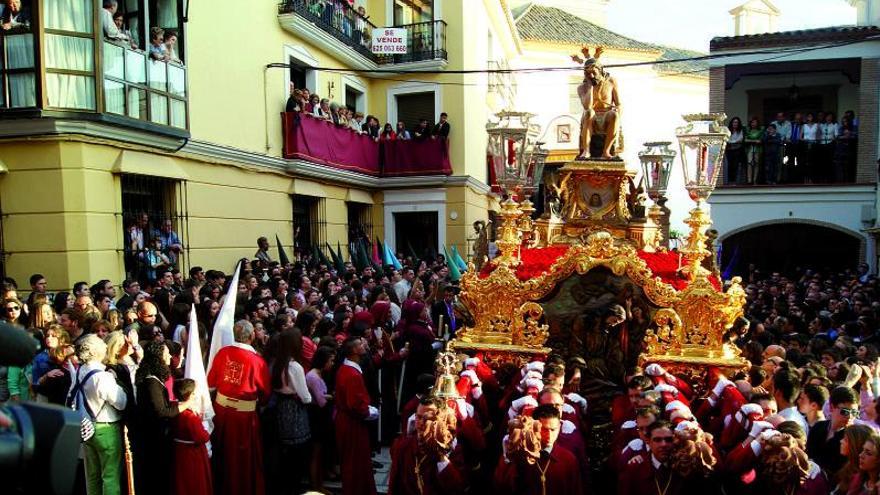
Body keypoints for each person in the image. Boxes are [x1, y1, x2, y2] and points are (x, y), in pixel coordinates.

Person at [207, 320, 271, 495]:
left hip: (221, 412)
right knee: (242, 460)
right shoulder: (257, 361)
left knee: (223, 454)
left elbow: (211, 383)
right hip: (244, 417)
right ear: (251, 336)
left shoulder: (223, 353)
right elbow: (265, 394)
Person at [72, 334, 128, 495]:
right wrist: (119, 384)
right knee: (110, 476)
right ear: (96, 352)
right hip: (107, 427)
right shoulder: (102, 377)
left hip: (87, 426)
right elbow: (121, 402)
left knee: (92, 475)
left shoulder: (80, 371)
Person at [132, 340, 189, 494]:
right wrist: (186, 405)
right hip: (152, 437)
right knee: (156, 477)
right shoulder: (151, 381)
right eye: (166, 354)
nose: (170, 356)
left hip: (153, 434)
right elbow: (161, 411)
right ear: (158, 357)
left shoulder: (152, 378)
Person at [494, 404, 583, 494]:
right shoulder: (520, 454)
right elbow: (503, 485)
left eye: (553, 430)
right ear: (533, 427)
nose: (549, 436)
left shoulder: (568, 459)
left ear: (559, 427)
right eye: (544, 429)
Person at [268, 330, 312, 494]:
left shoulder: (275, 364)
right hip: (294, 410)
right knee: (296, 456)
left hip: (280, 408)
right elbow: (305, 396)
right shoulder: (294, 367)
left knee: (284, 455)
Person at [335, 336, 380, 495]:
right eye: (361, 344)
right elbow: (355, 405)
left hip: (348, 420)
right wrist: (370, 412)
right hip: (352, 423)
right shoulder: (352, 374)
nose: (364, 344)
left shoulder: (346, 369)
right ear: (354, 350)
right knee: (355, 461)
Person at [576, 48, 621, 159]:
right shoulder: (582, 88)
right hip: (592, 118)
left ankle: (606, 152)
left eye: (593, 73)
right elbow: (587, 106)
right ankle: (586, 151)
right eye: (588, 73)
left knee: (613, 115)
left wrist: (618, 110)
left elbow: (619, 104)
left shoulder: (611, 82)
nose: (591, 76)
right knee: (589, 112)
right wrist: (590, 85)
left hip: (607, 115)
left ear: (600, 71)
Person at [618, 420, 683, 495]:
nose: (663, 444)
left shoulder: (683, 466)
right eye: (657, 440)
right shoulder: (635, 469)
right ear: (648, 441)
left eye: (668, 440)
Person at [171, 379, 213, 495]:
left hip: (178, 452)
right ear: (191, 395)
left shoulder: (174, 408)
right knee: (193, 484)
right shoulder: (190, 416)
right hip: (192, 455)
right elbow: (202, 437)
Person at [807, 386, 860, 476]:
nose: (850, 416)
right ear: (832, 408)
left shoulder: (852, 439)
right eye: (845, 411)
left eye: (854, 413)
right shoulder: (818, 427)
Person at [306, 346, 335, 492]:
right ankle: (316, 486)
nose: (332, 363)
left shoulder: (318, 374)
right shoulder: (313, 377)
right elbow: (321, 401)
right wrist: (332, 397)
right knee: (316, 453)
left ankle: (318, 483)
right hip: (317, 417)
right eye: (330, 360)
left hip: (319, 416)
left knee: (319, 452)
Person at [726, 116, 745, 185]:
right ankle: (729, 181)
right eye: (734, 122)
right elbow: (727, 139)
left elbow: (740, 139)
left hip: (737, 150)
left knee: (735, 165)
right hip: (729, 150)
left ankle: (734, 181)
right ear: (732, 123)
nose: (735, 124)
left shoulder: (740, 131)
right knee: (729, 165)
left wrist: (732, 142)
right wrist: (734, 142)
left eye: (737, 122)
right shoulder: (728, 130)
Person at [744, 117, 763, 185]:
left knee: (756, 164)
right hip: (749, 149)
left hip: (757, 149)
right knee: (749, 164)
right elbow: (745, 140)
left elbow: (760, 140)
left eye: (755, 122)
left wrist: (751, 140)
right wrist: (754, 140)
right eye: (752, 122)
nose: (753, 124)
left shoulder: (760, 131)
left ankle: (755, 180)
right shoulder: (748, 131)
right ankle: (749, 180)